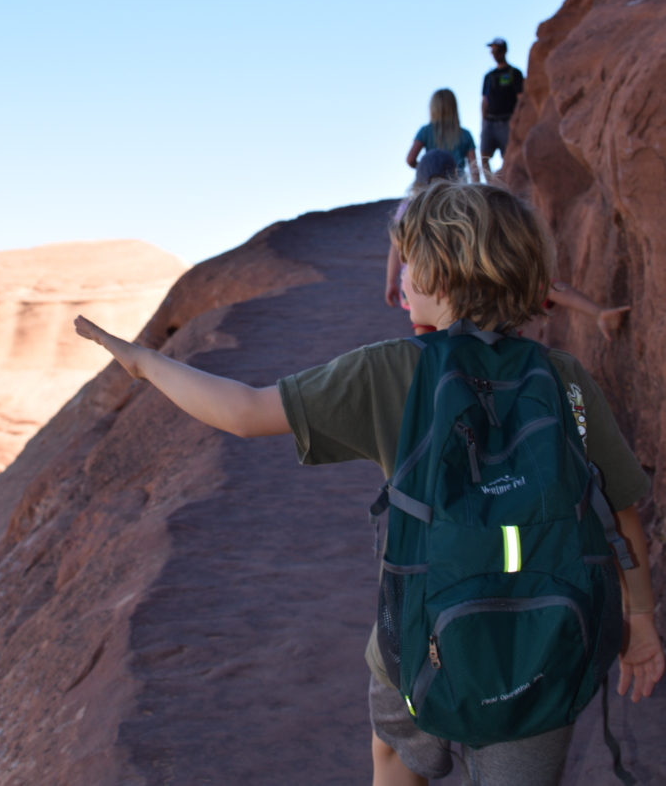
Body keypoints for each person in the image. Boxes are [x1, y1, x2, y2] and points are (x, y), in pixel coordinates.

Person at [74, 181, 663, 786]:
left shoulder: (394, 369)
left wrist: (145, 362)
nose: (401, 276)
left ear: (443, 274)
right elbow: (620, 513)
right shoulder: (563, 378)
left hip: (415, 646)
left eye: (410, 261)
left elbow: (245, 411)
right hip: (543, 646)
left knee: (394, 757)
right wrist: (640, 624)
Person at [385, 150, 457, 332]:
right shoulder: (458, 205)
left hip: (417, 280)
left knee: (424, 335)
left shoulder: (408, 207)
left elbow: (396, 246)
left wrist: (391, 281)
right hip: (452, 281)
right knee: (452, 331)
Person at [406, 89, 479, 181]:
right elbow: (474, 169)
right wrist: (476, 190)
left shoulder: (425, 131)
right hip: (458, 182)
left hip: (432, 179)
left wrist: (425, 169)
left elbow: (410, 159)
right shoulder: (465, 134)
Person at [481, 38, 524, 174]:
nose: (494, 54)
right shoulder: (489, 76)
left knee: (509, 157)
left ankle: (506, 185)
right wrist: (483, 122)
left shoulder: (514, 73)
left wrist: (516, 122)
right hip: (490, 122)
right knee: (483, 157)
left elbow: (520, 99)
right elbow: (485, 100)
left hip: (507, 122)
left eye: (497, 50)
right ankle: (490, 186)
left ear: (504, 51)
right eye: (492, 51)